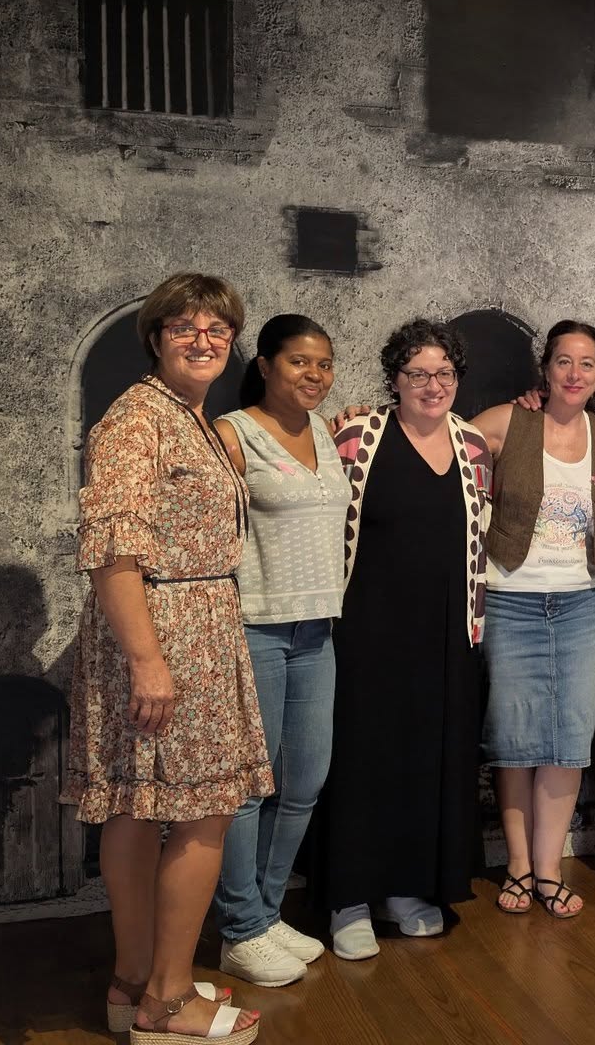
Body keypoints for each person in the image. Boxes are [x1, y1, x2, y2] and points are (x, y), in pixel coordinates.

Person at [70, 272, 267, 1043]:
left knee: (138, 805)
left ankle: (135, 981)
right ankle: (171, 999)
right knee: (200, 814)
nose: (203, 340)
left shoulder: (186, 416)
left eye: (217, 329)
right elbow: (113, 548)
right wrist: (148, 660)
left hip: (191, 620)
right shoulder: (137, 419)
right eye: (185, 326)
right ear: (155, 337)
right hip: (169, 629)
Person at [316, 319, 494, 958]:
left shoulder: (473, 445)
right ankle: (349, 898)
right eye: (417, 373)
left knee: (429, 758)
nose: (432, 385)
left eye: (444, 373)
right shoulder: (356, 435)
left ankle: (410, 887)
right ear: (394, 379)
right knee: (362, 758)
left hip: (447, 631)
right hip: (367, 627)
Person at [208, 315, 351, 986]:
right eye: (298, 361)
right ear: (264, 365)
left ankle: (264, 916)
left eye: (323, 363)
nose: (313, 375)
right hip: (255, 629)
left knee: (304, 783)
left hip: (316, 630)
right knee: (248, 785)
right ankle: (239, 928)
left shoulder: (325, 430)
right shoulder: (232, 434)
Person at [470, 321, 595, 920]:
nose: (574, 374)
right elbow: (432, 437)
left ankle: (550, 868)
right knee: (515, 738)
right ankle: (519, 866)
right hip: (512, 598)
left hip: (582, 603)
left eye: (586, 364)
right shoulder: (510, 421)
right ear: (546, 369)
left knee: (568, 739)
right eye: (563, 361)